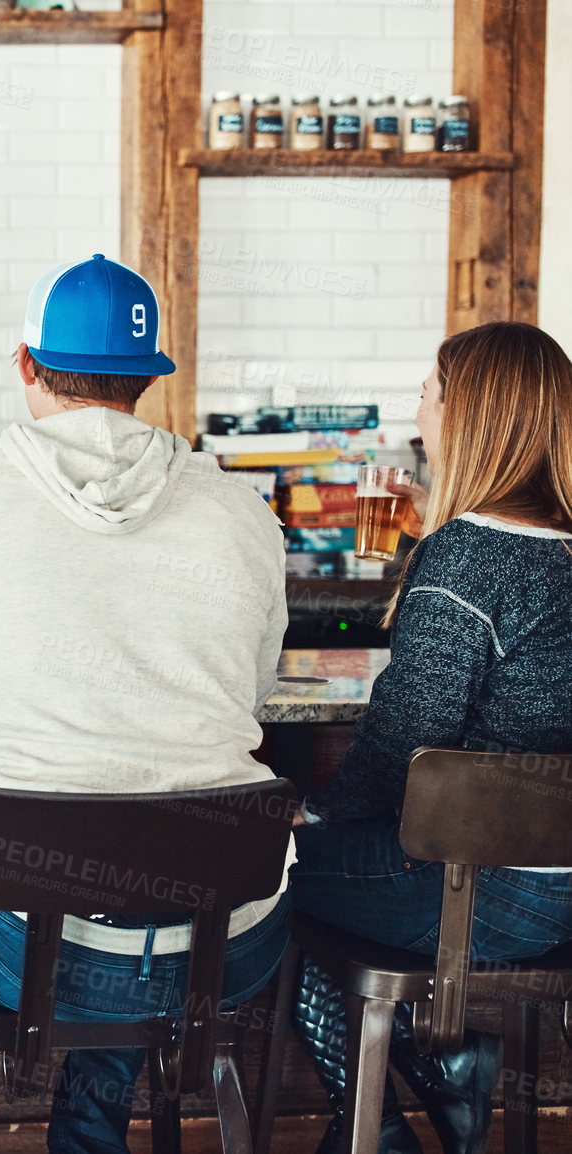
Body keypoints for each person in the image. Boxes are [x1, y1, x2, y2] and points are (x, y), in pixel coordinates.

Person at [0, 254, 291, 1154]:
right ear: (150, 380)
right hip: (228, 943)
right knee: (139, 847)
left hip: (30, 940)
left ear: (26, 368)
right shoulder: (241, 508)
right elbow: (252, 691)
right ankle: (87, 1134)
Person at [288, 321, 572, 1154]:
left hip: (478, 897)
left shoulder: (462, 562)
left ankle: (378, 1123)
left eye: (428, 392)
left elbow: (401, 750)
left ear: (470, 412)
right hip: (560, 893)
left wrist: (312, 814)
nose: (419, 413)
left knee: (256, 878)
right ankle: (438, 1066)